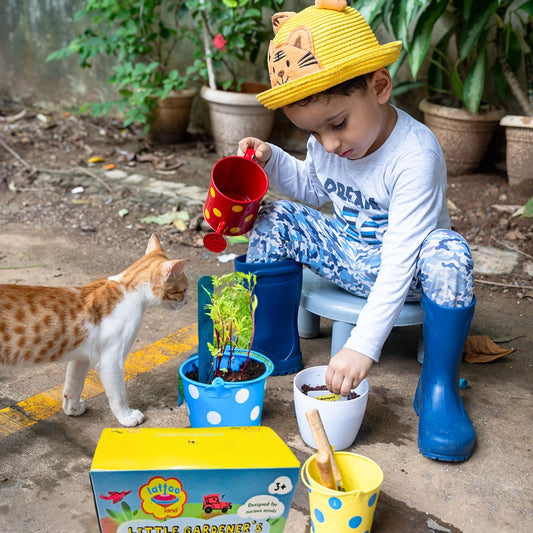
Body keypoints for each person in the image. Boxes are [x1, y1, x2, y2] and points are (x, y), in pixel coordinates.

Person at [235, 0, 476, 461]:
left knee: (451, 252)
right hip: (349, 254)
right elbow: (312, 186)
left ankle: (438, 388)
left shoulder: (414, 155)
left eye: (338, 124)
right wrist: (273, 160)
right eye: (314, 133)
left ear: (379, 86)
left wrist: (362, 347)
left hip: (409, 276)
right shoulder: (328, 142)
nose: (329, 143)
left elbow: (404, 256)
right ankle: (271, 350)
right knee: (274, 216)